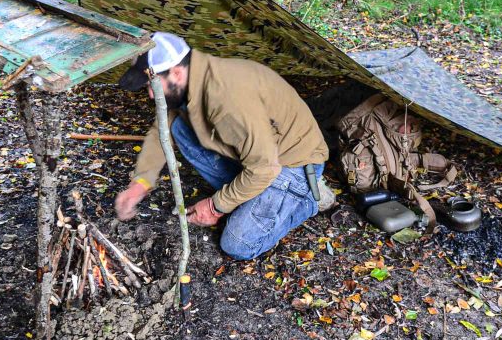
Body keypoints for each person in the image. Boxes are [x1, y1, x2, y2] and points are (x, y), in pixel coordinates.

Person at [113, 32, 335, 260]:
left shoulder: (226, 99)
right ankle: (248, 197)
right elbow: (162, 128)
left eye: (152, 85)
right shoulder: (193, 78)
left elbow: (264, 168)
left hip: (292, 164)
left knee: (237, 244)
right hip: (260, 154)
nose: (151, 94)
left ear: (176, 73)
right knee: (179, 127)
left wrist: (214, 207)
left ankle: (307, 198)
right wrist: (140, 182)